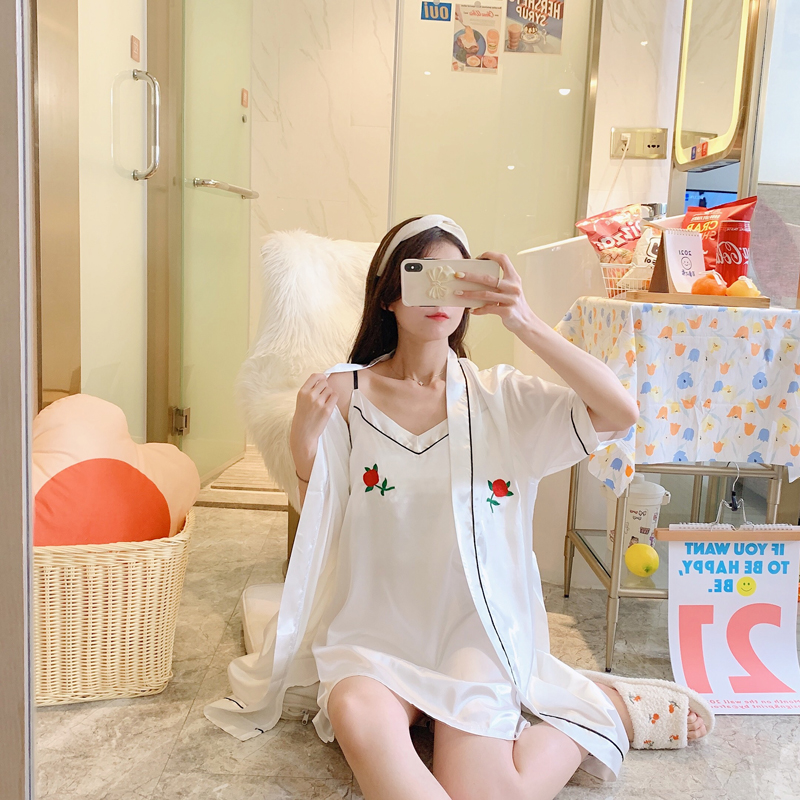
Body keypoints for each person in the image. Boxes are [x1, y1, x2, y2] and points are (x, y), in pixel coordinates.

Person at [205, 215, 714, 800]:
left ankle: (606, 709)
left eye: (455, 277)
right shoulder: (343, 394)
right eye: (421, 274)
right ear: (388, 295)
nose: (438, 293)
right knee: (356, 710)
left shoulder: (501, 398)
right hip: (374, 635)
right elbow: (324, 515)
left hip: (473, 634)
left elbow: (619, 413)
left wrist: (524, 321)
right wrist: (303, 443)